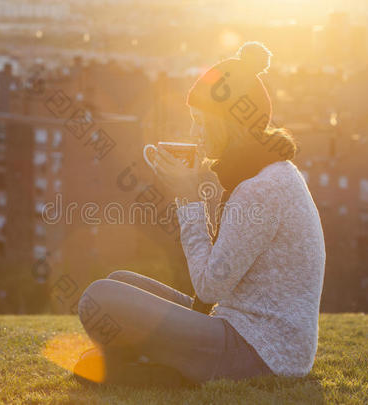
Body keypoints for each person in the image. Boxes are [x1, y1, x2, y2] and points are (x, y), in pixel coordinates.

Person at [73, 41, 326, 387]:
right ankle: (158, 363)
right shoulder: (266, 173)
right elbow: (223, 276)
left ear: (227, 122)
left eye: (199, 122)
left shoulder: (261, 188)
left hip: (260, 353)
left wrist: (187, 198)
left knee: (97, 300)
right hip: (242, 330)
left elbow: (209, 286)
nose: (194, 133)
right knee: (119, 281)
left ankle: (157, 367)